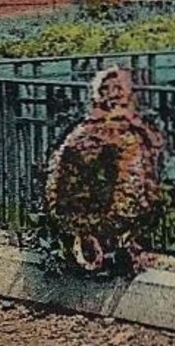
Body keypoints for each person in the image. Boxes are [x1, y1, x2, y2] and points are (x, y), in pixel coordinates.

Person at [43, 66, 165, 273]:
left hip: (93, 207)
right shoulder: (108, 133)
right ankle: (110, 245)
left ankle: (104, 245)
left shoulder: (90, 131)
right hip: (93, 208)